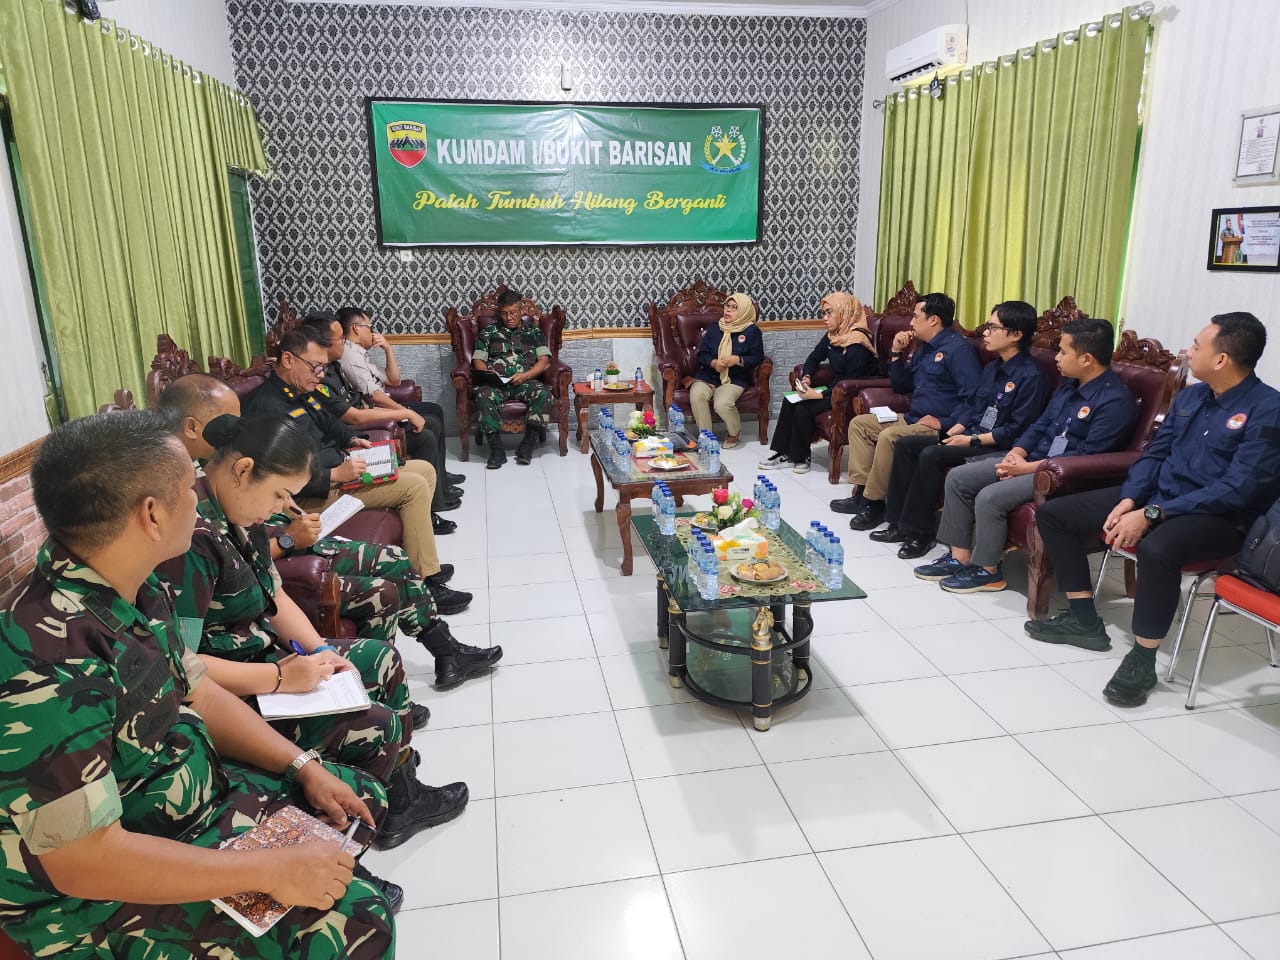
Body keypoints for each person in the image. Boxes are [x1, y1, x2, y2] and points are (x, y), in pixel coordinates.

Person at [0, 411, 395, 958]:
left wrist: (302, 766)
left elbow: (201, 692)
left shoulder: (132, 591)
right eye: (189, 486)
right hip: (92, 900)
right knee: (356, 924)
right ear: (152, 515)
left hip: (187, 802)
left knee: (353, 800)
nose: (199, 498)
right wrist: (268, 869)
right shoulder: (46, 664)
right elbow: (83, 860)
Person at [154, 413, 470, 851]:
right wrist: (283, 678)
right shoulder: (193, 541)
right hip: (238, 690)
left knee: (378, 660)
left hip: (268, 662)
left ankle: (400, 798)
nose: (282, 508)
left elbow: (277, 598)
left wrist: (322, 652)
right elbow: (186, 667)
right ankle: (356, 829)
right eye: (280, 494)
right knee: (376, 723)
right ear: (243, 471)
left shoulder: (237, 517)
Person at [158, 374, 502, 687]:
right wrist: (290, 537)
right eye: (227, 419)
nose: (235, 427)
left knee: (392, 561)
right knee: (385, 577)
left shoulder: (224, 479)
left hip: (265, 616)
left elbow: (269, 588)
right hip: (249, 664)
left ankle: (431, 659)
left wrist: (322, 651)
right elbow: (185, 663)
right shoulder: (187, 510)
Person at [1028, 313, 1280, 707]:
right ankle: (1083, 619)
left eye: (1197, 345)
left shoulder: (1268, 409)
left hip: (1221, 518)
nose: (1188, 350)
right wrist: (1130, 499)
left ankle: (1142, 658)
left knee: (1158, 548)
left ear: (1221, 360)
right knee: (1056, 513)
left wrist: (1152, 514)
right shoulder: (1193, 396)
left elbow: (1239, 489)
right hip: (1159, 500)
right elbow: (1154, 454)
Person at [243, 326, 469, 615]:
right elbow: (274, 478)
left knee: (423, 469)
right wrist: (334, 476)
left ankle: (424, 563)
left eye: (323, 367)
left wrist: (352, 439)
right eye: (314, 366)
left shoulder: (299, 391)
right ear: (288, 360)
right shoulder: (267, 407)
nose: (320, 374)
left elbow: (329, 422)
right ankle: (426, 582)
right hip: (315, 492)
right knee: (413, 487)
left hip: (340, 468)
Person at [915, 318, 1138, 592]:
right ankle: (959, 557)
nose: (1056, 358)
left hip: (1061, 477)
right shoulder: (1070, 385)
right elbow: (1040, 425)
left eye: (1063, 352)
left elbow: (1086, 457)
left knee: (990, 496)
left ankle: (988, 570)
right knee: (959, 478)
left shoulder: (1115, 402)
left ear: (1087, 359)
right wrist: (1016, 453)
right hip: (1031, 460)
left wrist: (1027, 468)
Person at [871, 301, 1049, 558]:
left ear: (1016, 335)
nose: (985, 333)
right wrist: (956, 428)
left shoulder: (1031, 376)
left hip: (995, 444)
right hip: (972, 433)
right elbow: (974, 405)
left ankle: (921, 532)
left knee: (932, 455)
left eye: (992, 328)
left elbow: (1015, 430)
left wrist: (971, 440)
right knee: (906, 444)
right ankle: (898, 522)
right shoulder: (993, 367)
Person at [830, 292, 983, 530]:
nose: (910, 322)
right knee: (860, 424)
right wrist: (895, 353)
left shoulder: (957, 350)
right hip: (912, 417)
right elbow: (902, 386)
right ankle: (861, 493)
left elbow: (973, 398)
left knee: (888, 437)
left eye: (915, 316)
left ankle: (875, 503)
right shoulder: (924, 347)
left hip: (935, 425)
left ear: (933, 320)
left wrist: (945, 423)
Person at [304, 309, 462, 529]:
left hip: (360, 426)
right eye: (339, 339)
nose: (343, 343)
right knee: (425, 435)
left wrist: (388, 349)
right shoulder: (325, 372)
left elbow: (390, 383)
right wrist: (405, 412)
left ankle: (440, 485)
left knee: (433, 414)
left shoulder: (335, 366)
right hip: (357, 433)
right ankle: (432, 510)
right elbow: (355, 413)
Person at [759, 292, 878, 474]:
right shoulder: (834, 335)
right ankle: (784, 453)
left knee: (804, 408)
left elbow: (852, 382)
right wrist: (807, 376)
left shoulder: (857, 343)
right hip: (836, 387)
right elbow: (814, 357)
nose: (825, 318)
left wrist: (818, 394)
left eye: (829, 313)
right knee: (791, 399)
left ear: (844, 313)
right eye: (823, 313)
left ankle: (801, 458)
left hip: (851, 394)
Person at [472, 288, 554, 468]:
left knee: (544, 394)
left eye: (513, 313)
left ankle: (527, 445)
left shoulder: (534, 332)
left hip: (525, 381)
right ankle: (496, 451)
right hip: (497, 384)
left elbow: (544, 361)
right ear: (499, 312)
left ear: (521, 311)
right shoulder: (488, 333)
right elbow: (478, 360)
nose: (509, 318)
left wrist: (525, 376)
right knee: (483, 395)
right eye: (504, 314)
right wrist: (488, 374)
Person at [689, 292, 763, 448]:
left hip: (734, 378)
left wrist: (737, 360)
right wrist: (713, 362)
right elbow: (702, 354)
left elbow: (758, 358)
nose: (728, 310)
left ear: (743, 311)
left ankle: (734, 432)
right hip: (709, 376)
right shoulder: (716, 328)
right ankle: (706, 436)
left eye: (734, 308)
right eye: (727, 306)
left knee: (722, 403)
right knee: (696, 394)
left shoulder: (751, 331)